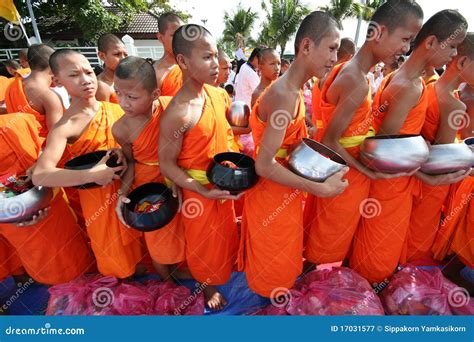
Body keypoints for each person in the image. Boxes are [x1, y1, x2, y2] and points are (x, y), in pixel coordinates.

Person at [350, 10, 470, 285]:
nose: (453, 54)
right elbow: (385, 155)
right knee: (377, 258)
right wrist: (426, 176)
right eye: (451, 46)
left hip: (395, 184)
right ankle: (364, 304)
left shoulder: (400, 76)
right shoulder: (412, 87)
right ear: (430, 43)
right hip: (390, 186)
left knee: (377, 251)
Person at [305, 0, 425, 269]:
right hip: (345, 174)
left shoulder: (351, 71)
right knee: (325, 245)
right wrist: (368, 172)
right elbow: (330, 140)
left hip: (343, 171)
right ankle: (309, 294)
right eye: (405, 39)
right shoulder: (357, 80)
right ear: (379, 33)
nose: (406, 49)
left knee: (329, 239)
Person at [238, 11, 349, 299]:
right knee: (273, 270)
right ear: (307, 46)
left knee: (283, 260)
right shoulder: (285, 93)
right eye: (332, 48)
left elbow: (285, 144)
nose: (335, 58)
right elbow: (264, 164)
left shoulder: (294, 90)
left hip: (284, 191)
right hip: (271, 192)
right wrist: (319, 188)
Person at [32, 49, 143, 279]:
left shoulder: (114, 108)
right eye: (74, 75)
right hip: (98, 200)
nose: (85, 80)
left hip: (130, 187)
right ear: (56, 81)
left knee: (141, 249)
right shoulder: (65, 126)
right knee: (116, 263)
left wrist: (124, 153)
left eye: (89, 72)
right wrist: (92, 174)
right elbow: (41, 175)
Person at [159, 24, 239, 310]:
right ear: (182, 61)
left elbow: (225, 134)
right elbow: (166, 164)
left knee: (226, 237)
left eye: (215, 55)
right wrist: (200, 192)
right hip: (199, 193)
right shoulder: (179, 111)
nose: (216, 64)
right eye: (206, 57)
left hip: (225, 182)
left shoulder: (217, 95)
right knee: (203, 244)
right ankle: (206, 287)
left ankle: (222, 270)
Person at [112, 56, 186, 282]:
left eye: (132, 97)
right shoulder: (121, 128)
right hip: (147, 186)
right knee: (157, 236)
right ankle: (167, 280)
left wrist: (178, 179)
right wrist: (122, 194)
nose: (124, 103)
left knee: (185, 230)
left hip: (177, 176)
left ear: (155, 94)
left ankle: (185, 269)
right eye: (119, 93)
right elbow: (131, 162)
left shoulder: (171, 108)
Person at [0, 113, 93, 285]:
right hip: (10, 212)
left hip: (49, 197)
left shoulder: (20, 121)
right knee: (42, 260)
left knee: (69, 251)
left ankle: (80, 284)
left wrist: (38, 165)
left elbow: (48, 148)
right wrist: (10, 215)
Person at [407, 31, 473, 263]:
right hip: (432, 183)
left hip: (410, 173)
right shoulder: (454, 103)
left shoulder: (430, 85)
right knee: (417, 245)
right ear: (463, 62)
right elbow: (443, 160)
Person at [5, 44, 63, 139]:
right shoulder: (49, 96)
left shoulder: (12, 86)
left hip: (20, 143)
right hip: (45, 149)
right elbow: (58, 135)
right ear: (53, 65)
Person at [311, 37, 356, 141]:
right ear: (350, 57)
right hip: (331, 142)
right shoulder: (340, 80)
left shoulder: (321, 76)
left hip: (317, 136)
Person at [154, 12, 184, 96]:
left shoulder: (194, 66)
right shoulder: (155, 73)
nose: (180, 39)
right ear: (160, 37)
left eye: (183, 34)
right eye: (174, 35)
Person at [96, 33, 128, 104]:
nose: (123, 59)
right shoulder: (101, 86)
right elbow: (106, 114)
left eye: (125, 55)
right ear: (102, 56)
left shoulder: (125, 81)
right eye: (117, 54)